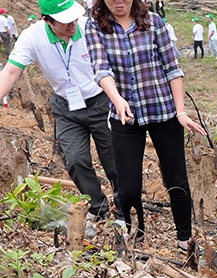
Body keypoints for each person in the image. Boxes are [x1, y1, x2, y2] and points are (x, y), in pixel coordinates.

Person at [85, 0, 206, 247]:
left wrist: (180, 111)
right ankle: (135, 235)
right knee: (128, 185)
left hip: (162, 110)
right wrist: (117, 100)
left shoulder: (154, 22)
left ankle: (185, 238)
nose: (119, 2)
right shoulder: (95, 26)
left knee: (176, 179)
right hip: (125, 115)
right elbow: (101, 68)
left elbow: (172, 69)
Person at [0, 0, 120, 222]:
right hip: (67, 107)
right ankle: (98, 207)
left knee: (113, 158)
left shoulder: (89, 27)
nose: (71, 24)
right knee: (75, 159)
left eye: (73, 17)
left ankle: (123, 210)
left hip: (100, 100)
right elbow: (10, 73)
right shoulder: (32, 37)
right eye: (64, 21)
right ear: (47, 20)